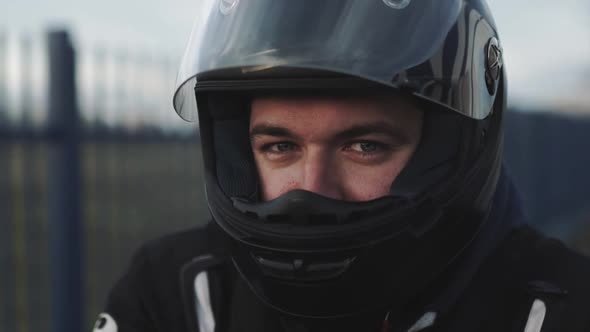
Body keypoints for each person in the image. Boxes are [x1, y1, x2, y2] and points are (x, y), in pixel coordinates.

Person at [93, 0, 590, 331]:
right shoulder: (176, 295)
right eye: (279, 147)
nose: (311, 189)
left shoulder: (559, 311)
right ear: (241, 153)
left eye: (364, 147)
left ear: (451, 149)